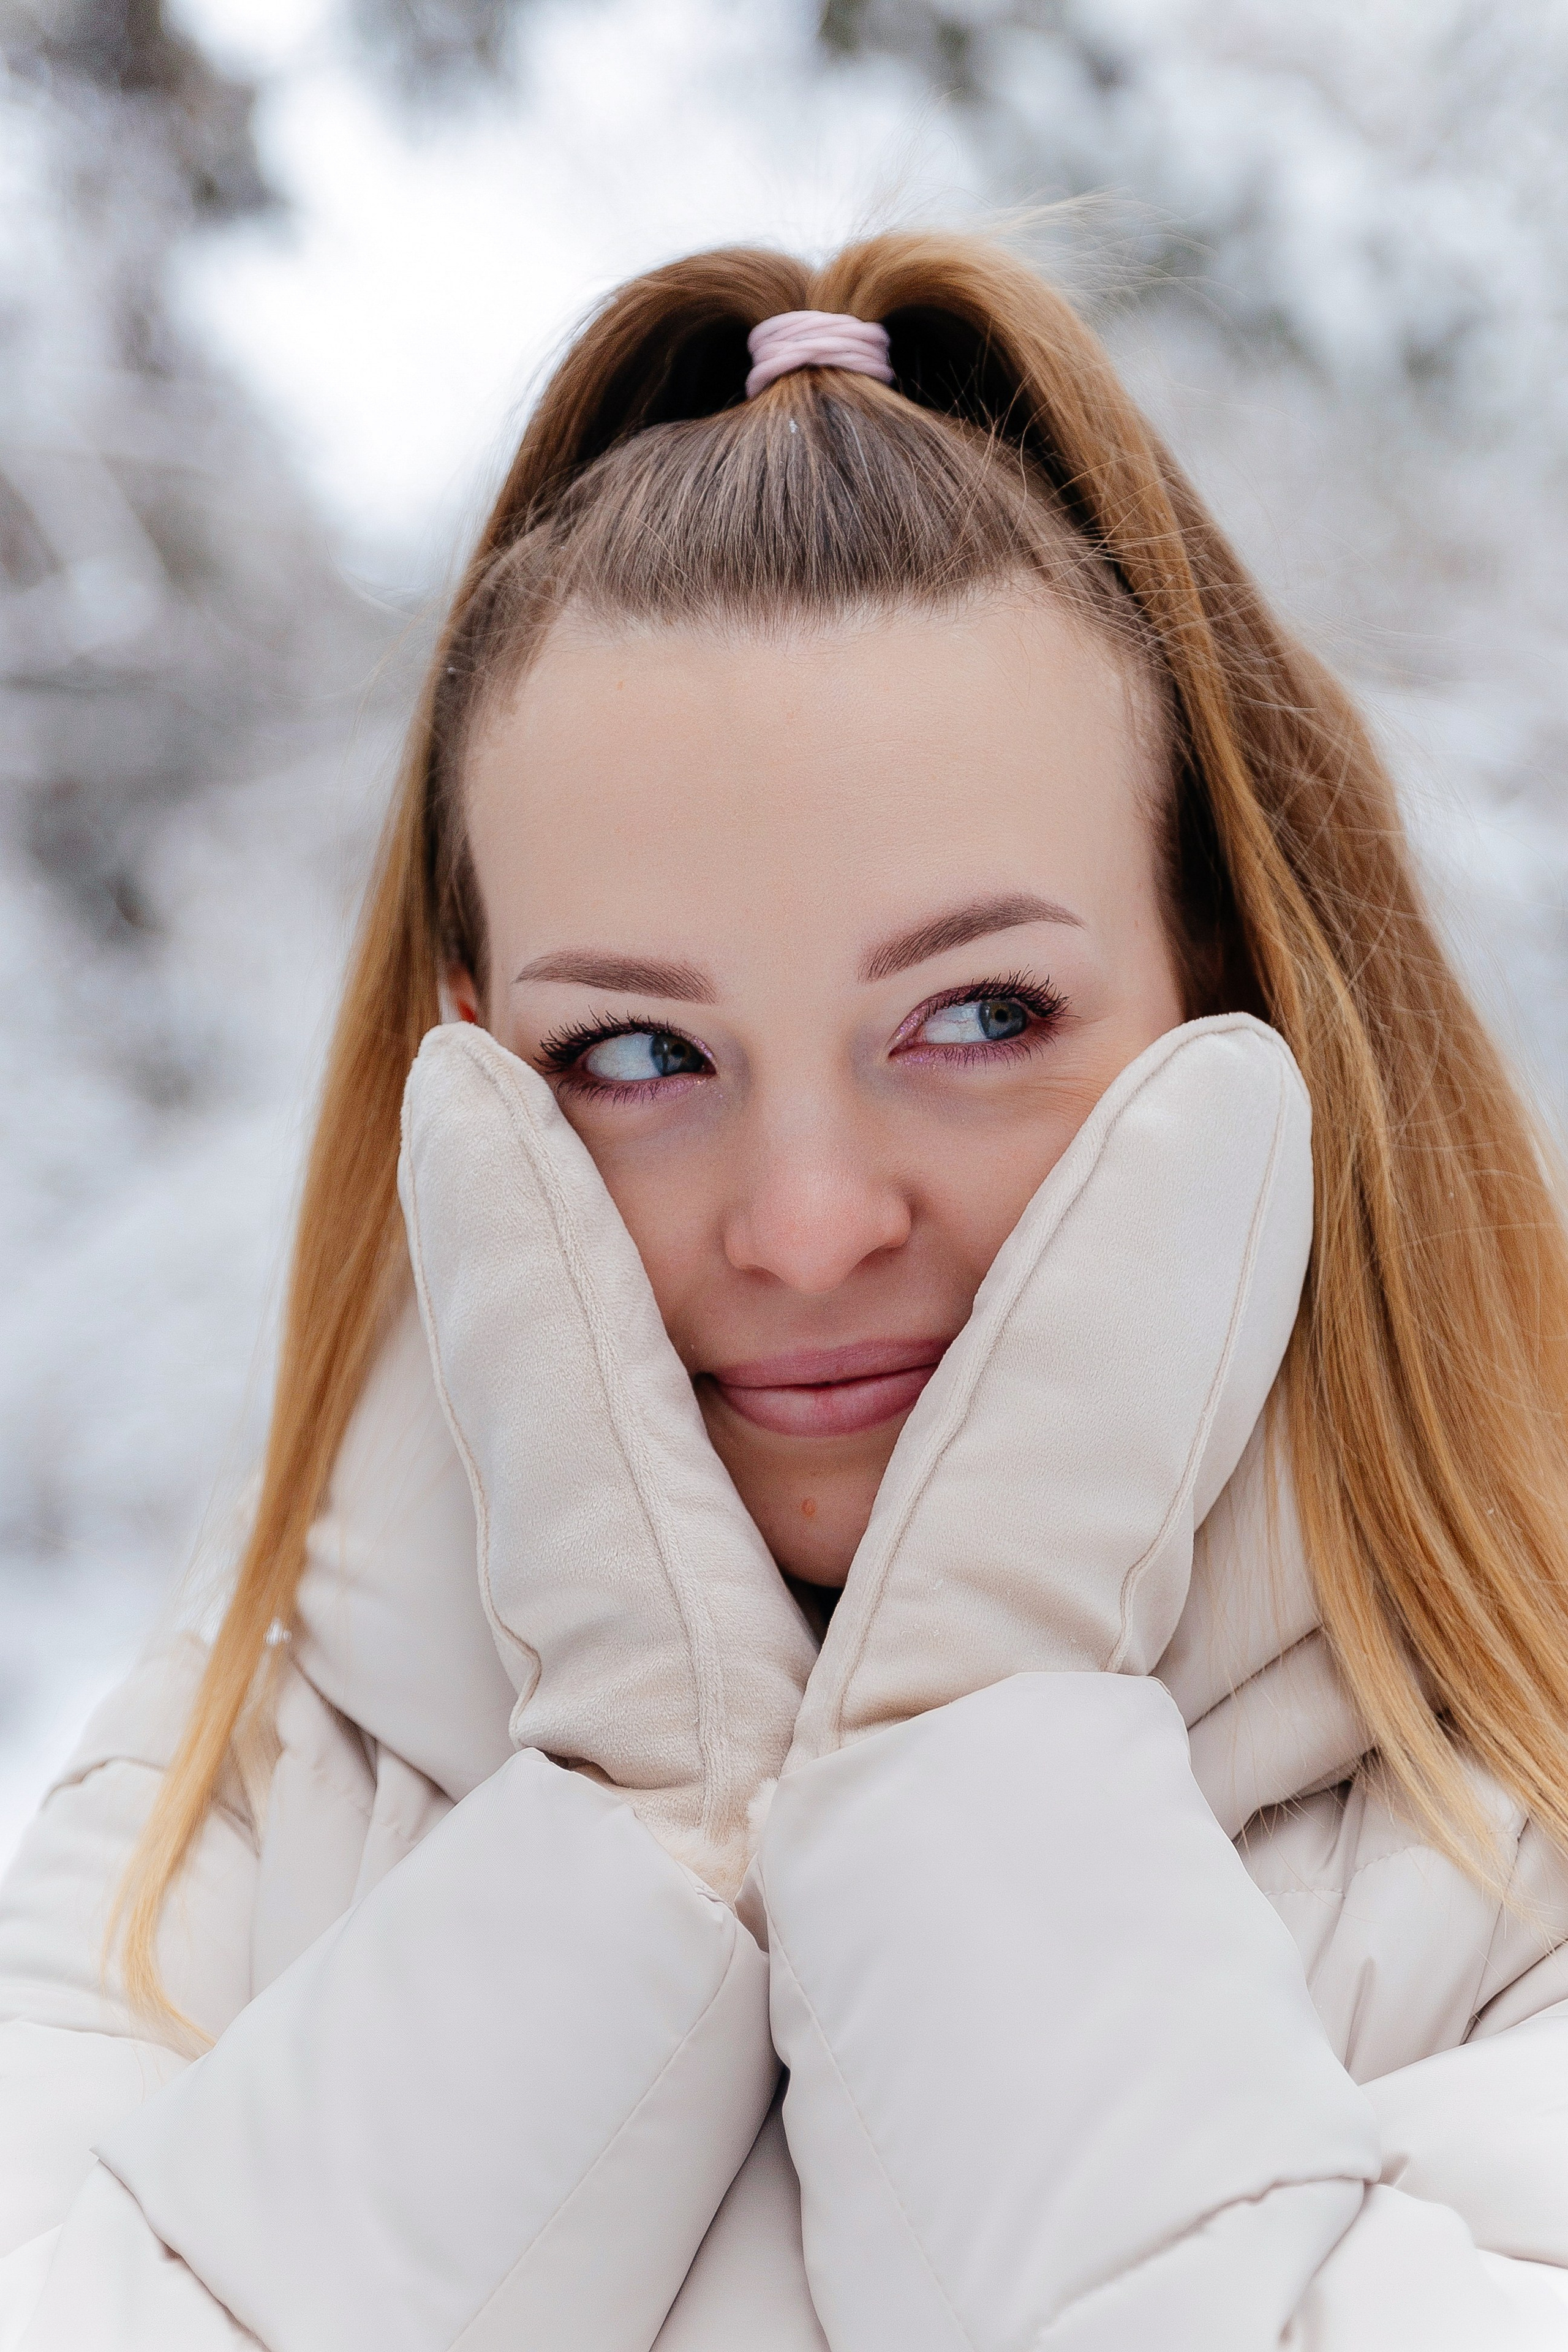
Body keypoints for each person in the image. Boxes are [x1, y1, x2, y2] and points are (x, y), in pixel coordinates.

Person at [3, 233, 1568, 2351]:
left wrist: (980, 1751)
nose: (808, 1223)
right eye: (636, 1055)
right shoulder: (209, 1799)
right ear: (470, 1085)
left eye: (981, 1012)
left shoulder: (1528, 1808)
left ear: (1230, 990)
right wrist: (629, 1838)